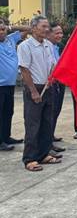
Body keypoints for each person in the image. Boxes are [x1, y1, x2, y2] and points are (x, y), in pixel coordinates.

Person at [18, 15, 58, 171]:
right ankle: (30, 158)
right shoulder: (25, 46)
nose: (47, 29)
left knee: (47, 123)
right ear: (34, 28)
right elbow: (24, 70)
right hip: (34, 88)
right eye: (43, 26)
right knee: (33, 124)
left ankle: (43, 154)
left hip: (48, 87)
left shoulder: (48, 44)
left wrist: (52, 75)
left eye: (48, 26)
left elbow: (53, 64)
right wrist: (33, 91)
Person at [0, 19, 27, 151]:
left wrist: (10, 27)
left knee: (8, 112)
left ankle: (6, 137)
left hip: (10, 85)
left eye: (3, 29)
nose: (1, 32)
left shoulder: (11, 39)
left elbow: (28, 29)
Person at [47, 23, 65, 146]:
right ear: (49, 34)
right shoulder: (46, 46)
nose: (60, 35)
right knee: (50, 112)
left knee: (56, 110)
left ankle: (51, 136)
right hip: (50, 83)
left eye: (61, 33)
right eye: (56, 33)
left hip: (60, 82)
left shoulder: (60, 46)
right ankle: (47, 141)